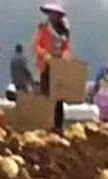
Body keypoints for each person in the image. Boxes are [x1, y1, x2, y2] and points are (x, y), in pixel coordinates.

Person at [33, 2, 71, 130]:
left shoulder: (64, 31)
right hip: (46, 66)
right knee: (46, 94)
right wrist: (45, 55)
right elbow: (36, 46)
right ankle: (46, 124)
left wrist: (65, 54)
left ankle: (58, 125)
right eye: (51, 14)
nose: (53, 17)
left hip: (59, 66)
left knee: (59, 97)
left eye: (56, 15)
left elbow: (67, 47)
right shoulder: (43, 28)